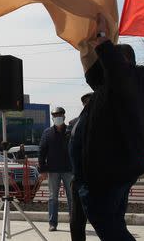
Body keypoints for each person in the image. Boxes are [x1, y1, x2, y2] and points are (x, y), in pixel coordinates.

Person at [73, 15, 144, 241]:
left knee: (108, 226)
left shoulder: (135, 78)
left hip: (109, 172)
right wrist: (87, 47)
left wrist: (104, 40)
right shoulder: (110, 90)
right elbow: (98, 76)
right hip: (108, 171)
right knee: (114, 224)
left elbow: (117, 72)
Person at [39, 106, 73, 232]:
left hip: (69, 170)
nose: (57, 117)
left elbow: (76, 149)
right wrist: (42, 169)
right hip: (53, 170)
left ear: (64, 116)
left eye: (59, 115)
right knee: (53, 198)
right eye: (55, 115)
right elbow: (42, 151)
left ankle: (74, 222)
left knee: (72, 198)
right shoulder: (47, 133)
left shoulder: (70, 131)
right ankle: (52, 223)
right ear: (52, 118)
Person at [68, 92, 92, 241]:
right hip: (79, 177)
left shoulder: (107, 122)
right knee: (77, 219)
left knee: (105, 220)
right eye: (86, 103)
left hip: (100, 177)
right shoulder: (74, 123)